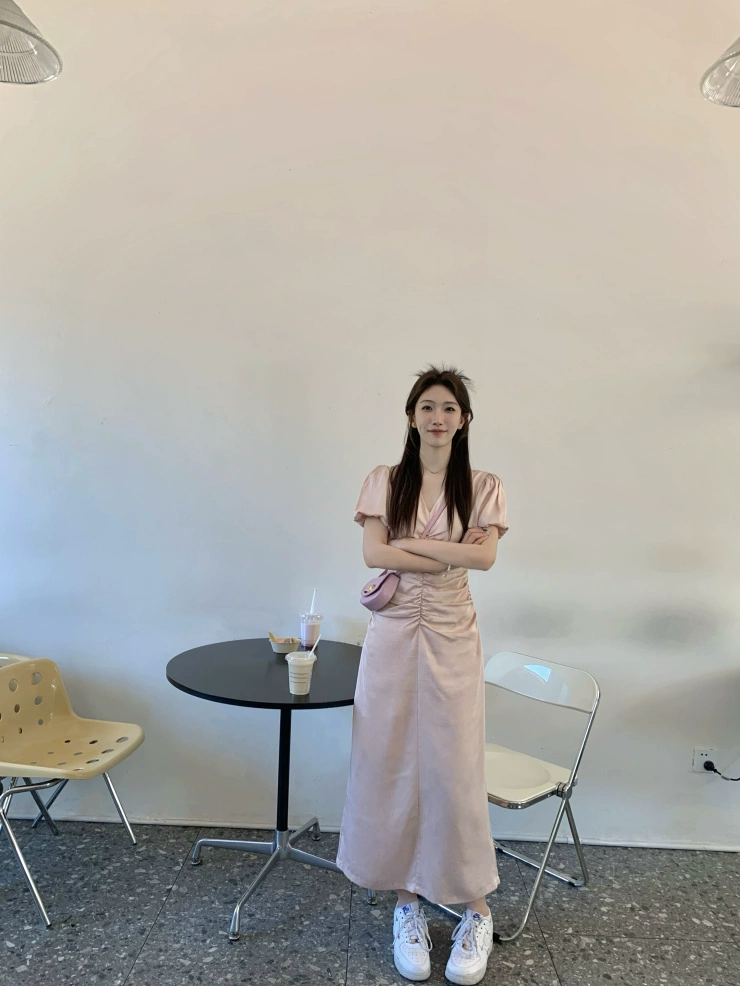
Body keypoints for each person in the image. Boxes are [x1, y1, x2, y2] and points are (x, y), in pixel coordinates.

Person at [335, 365, 509, 985]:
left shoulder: (483, 485)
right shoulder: (385, 479)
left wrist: (414, 549)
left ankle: (475, 907)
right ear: (411, 417)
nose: (438, 417)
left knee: (453, 766)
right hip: (391, 633)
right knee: (386, 756)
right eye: (427, 407)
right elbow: (373, 553)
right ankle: (405, 900)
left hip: (453, 632)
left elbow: (485, 558)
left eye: (449, 408)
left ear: (464, 420)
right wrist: (449, 554)